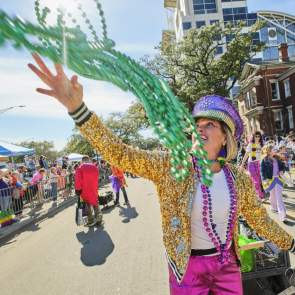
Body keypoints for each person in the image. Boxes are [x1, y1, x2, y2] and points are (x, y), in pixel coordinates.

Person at [29, 54, 295, 294]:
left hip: (227, 267)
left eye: (209, 125)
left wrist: (291, 243)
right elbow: (119, 153)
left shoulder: (237, 178)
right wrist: (78, 109)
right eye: (196, 125)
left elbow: (260, 220)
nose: (199, 130)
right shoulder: (171, 167)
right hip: (187, 271)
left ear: (225, 137)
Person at [261, 145, 287, 223]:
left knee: (279, 197)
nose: (274, 150)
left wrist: (282, 170)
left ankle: (282, 215)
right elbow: (262, 171)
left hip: (278, 180)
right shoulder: (264, 160)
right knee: (272, 195)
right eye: (273, 149)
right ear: (269, 151)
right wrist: (264, 179)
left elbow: (282, 166)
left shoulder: (277, 158)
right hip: (270, 180)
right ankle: (273, 207)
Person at [75, 156, 102, 227]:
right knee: (95, 202)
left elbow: (78, 180)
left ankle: (91, 220)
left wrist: (77, 190)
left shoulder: (80, 168)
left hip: (85, 189)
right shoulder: (94, 167)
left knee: (87, 205)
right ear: (88, 160)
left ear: (82, 160)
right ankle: (99, 218)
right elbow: (97, 177)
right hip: (93, 188)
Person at [240, 131, 265, 200]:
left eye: (258, 136)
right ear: (253, 137)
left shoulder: (261, 144)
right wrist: (242, 164)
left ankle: (258, 194)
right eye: (256, 136)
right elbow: (246, 154)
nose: (257, 138)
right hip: (251, 164)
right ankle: (259, 196)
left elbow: (263, 154)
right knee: (256, 180)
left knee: (259, 180)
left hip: (258, 164)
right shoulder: (250, 144)